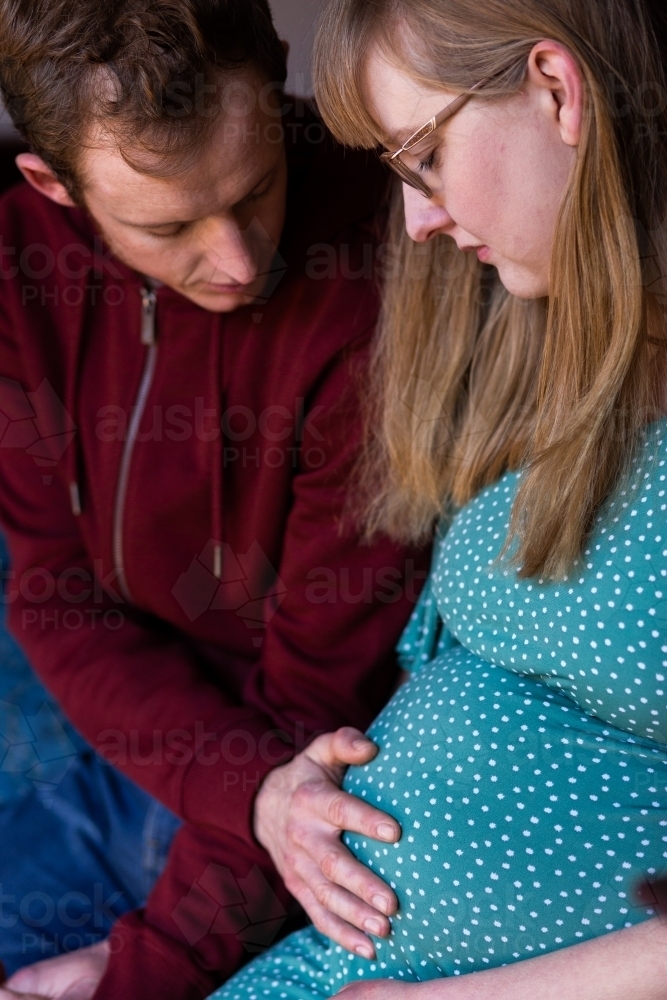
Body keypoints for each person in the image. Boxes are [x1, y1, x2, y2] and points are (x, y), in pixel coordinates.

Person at [200, 0, 667, 997]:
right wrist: (289, 794)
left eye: (424, 158)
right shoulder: (553, 364)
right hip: (336, 963)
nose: (417, 221)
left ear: (554, 89)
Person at [0, 1, 429, 997]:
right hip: (136, 729)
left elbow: (323, 716)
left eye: (256, 187)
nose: (238, 261)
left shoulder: (377, 271)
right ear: (51, 185)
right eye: (168, 226)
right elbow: (52, 585)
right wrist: (247, 792)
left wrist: (140, 970)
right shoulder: (21, 260)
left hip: (302, 757)